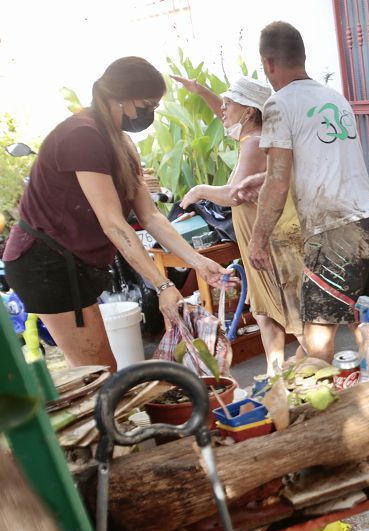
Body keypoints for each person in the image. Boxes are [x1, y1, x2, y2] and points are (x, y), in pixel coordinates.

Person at [2, 57, 231, 370]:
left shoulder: (120, 140)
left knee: (99, 370)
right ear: (122, 99)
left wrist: (198, 261)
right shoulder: (82, 136)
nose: (151, 112)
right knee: (98, 372)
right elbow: (113, 223)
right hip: (45, 263)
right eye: (148, 103)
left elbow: (150, 217)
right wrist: (162, 287)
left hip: (72, 262)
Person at [234, 21, 369, 363]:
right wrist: (260, 180)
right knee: (367, 327)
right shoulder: (334, 98)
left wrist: (257, 240)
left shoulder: (278, 104)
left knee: (318, 343)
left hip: (333, 234)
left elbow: (278, 181)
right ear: (302, 57)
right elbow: (317, 163)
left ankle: (321, 414)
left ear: (268, 64)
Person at [173, 74, 306, 374]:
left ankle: (315, 368)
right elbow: (225, 117)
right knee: (265, 315)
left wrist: (199, 191)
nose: (222, 110)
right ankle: (277, 376)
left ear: (248, 111)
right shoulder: (251, 135)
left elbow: (234, 195)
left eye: (228, 104)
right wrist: (201, 91)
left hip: (273, 244)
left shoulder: (256, 142)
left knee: (294, 318)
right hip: (259, 245)